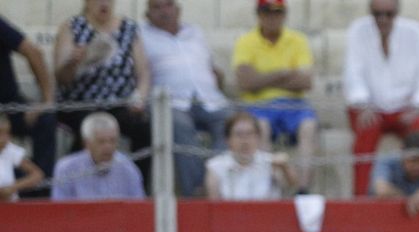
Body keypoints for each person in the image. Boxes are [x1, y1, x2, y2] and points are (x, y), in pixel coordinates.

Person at [342, 0, 419, 198]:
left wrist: (418, 105)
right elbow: (352, 73)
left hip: (406, 106)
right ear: (370, 12)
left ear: (397, 13)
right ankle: (361, 197)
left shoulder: (414, 32)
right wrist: (362, 103)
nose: (382, 19)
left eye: (388, 14)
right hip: (370, 107)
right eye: (377, 14)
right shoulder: (358, 30)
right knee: (364, 137)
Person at [54, 0, 151, 183]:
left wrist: (139, 98)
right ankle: (78, 186)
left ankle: (136, 186)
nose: (104, 3)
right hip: (80, 103)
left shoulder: (129, 28)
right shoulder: (72, 27)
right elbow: (61, 78)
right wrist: (72, 62)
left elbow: (144, 72)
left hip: (119, 103)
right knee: (88, 128)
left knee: (143, 129)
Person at [143, 0, 231, 197]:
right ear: (147, 14)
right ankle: (197, 192)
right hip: (170, 101)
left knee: (232, 122)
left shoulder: (195, 32)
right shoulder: (142, 35)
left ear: (178, 10)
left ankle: (217, 185)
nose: (163, 11)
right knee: (179, 125)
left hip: (209, 98)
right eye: (156, 7)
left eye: (167, 5)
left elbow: (211, 66)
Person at [233, 0, 317, 192]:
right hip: (259, 105)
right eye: (267, 12)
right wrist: (285, 73)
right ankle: (268, 189)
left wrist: (261, 78)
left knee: (309, 127)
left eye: (277, 12)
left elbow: (306, 82)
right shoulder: (245, 41)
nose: (272, 17)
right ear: (258, 15)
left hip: (294, 104)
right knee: (260, 127)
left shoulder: (298, 40)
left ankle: (303, 190)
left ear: (284, 15)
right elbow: (245, 83)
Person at [0, 15, 59, 187]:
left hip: (10, 106)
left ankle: (42, 192)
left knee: (45, 119)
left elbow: (33, 52)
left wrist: (47, 100)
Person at [51, 110, 145, 199]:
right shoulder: (67, 169)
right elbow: (60, 207)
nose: (108, 147)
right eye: (101, 142)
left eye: (112, 141)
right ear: (87, 143)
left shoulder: (128, 169)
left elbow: (139, 206)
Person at [204, 111, 291, 199]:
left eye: (250, 134)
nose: (245, 141)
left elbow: (292, 190)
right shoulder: (215, 166)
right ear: (228, 139)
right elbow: (214, 204)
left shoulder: (273, 163)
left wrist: (286, 168)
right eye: (239, 135)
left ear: (258, 138)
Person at [0, 114, 46, 201]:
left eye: (7, 133)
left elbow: (37, 174)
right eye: (0, 134)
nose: (4, 138)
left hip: (9, 203)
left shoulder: (10, 150)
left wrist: (12, 187)